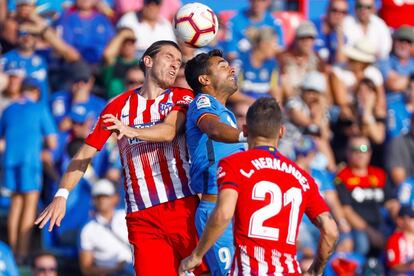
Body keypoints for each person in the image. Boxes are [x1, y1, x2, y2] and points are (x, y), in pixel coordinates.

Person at [35, 40, 206, 275]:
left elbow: (168, 131)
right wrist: (61, 195)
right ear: (148, 61)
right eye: (169, 57)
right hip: (141, 216)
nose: (175, 65)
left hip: (182, 205)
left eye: (178, 62)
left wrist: (132, 131)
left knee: (204, 271)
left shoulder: (181, 97)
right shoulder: (117, 106)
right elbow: (85, 154)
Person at [179, 97, 338, 275]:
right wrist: (316, 270)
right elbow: (330, 231)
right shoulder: (301, 177)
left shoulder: (234, 164)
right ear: (282, 132)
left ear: (245, 131)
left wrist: (197, 255)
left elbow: (223, 213)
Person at [184, 49, 246, 275]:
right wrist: (245, 135)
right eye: (222, 65)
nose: (231, 69)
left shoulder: (227, 112)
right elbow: (211, 127)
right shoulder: (202, 101)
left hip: (238, 208)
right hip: (216, 208)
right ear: (204, 79)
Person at [0, 78, 57, 264]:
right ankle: (22, 254)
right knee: (29, 206)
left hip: (9, 161)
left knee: (16, 204)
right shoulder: (40, 109)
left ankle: (12, 250)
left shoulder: (9, 109)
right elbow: (52, 142)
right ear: (36, 92)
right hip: (30, 162)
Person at [335, 136, 399, 258]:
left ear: (370, 152)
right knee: (362, 243)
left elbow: (390, 203)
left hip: (382, 224)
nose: (360, 153)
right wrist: (371, 232)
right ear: (347, 152)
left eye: (364, 149)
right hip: (358, 228)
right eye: (355, 149)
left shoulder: (380, 175)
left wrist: (399, 223)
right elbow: (346, 211)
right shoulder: (342, 177)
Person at [79, 179, 133, 276]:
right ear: (93, 200)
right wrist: (114, 269)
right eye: (98, 197)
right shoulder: (88, 229)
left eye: (106, 196)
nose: (102, 200)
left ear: (115, 198)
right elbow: (86, 268)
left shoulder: (127, 217)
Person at [386, 205, 414, 275]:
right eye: (411, 217)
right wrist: (410, 265)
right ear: (400, 221)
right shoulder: (395, 239)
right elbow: (394, 266)